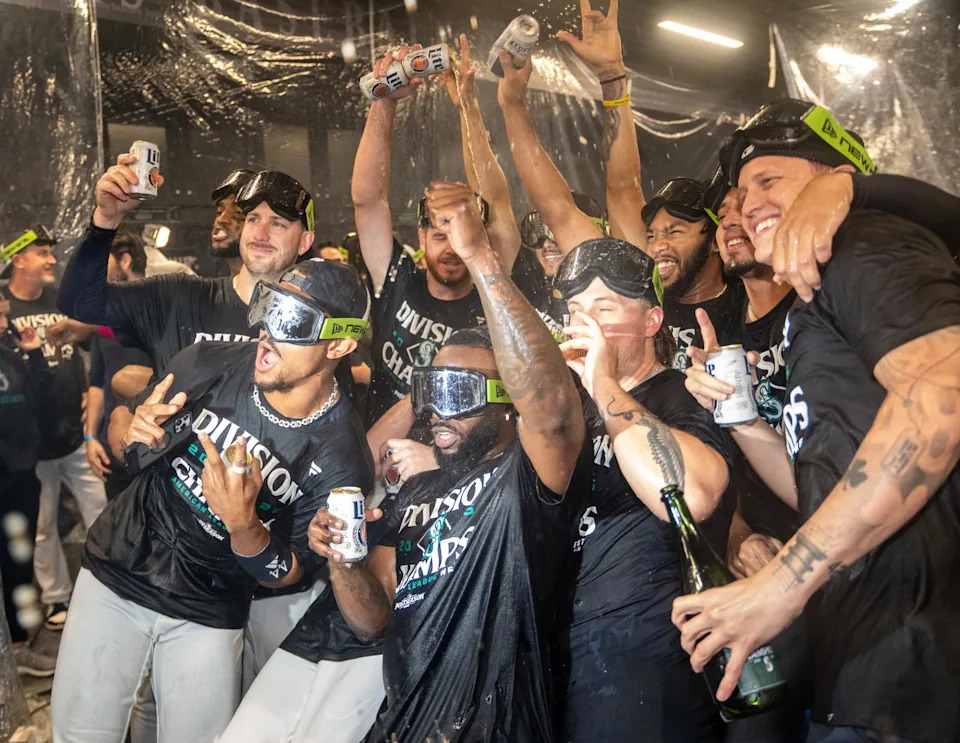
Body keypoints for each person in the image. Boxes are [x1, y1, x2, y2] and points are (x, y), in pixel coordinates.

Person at [675, 98, 960, 743]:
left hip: (920, 664)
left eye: (768, 181)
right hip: (864, 663)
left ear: (834, 179)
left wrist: (782, 583)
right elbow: (822, 485)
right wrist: (743, 418)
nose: (748, 205)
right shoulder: (810, 309)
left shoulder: (863, 239)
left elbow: (942, 391)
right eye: (742, 192)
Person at [51, 258, 374, 742]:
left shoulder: (342, 460)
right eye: (270, 306)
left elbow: (287, 572)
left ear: (341, 344)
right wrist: (127, 432)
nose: (268, 331)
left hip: (209, 611)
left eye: (293, 321)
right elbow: (129, 429)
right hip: (118, 573)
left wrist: (244, 526)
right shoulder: (208, 360)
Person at [310, 181, 588, 742]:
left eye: (459, 390)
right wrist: (343, 564)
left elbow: (553, 407)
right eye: (431, 388)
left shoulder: (527, 480)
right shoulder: (415, 492)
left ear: (508, 403)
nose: (437, 407)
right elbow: (374, 620)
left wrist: (481, 256)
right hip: (402, 727)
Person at [551, 238, 732, 743]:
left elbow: (690, 496)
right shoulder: (567, 410)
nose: (586, 325)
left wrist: (604, 384)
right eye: (575, 311)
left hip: (645, 674)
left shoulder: (680, 393)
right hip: (563, 665)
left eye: (605, 308)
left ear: (652, 323)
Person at [353, 44, 507, 427]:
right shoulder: (397, 278)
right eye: (439, 236)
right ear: (420, 240)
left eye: (459, 237)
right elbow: (368, 202)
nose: (452, 249)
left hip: (462, 468)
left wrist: (468, 106)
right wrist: (384, 103)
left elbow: (496, 201)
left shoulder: (495, 298)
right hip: (381, 460)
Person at [57, 164, 314, 374]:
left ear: (305, 241)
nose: (261, 233)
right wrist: (106, 220)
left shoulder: (315, 325)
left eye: (278, 223)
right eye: (252, 219)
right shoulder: (178, 297)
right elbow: (78, 302)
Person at [3, 225, 108, 632]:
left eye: (51, 252)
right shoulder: (4, 305)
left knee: (99, 510)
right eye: (42, 253)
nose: (51, 260)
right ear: (18, 259)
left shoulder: (61, 300)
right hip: (30, 448)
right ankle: (56, 598)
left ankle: (108, 584)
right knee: (42, 526)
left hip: (76, 435)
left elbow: (87, 344)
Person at [0, 291, 58, 677]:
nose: (6, 313)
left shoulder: (10, 351)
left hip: (20, 478)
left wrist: (35, 353)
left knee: (18, 563)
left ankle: (18, 648)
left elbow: (44, 402)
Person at [641, 178, 744, 370]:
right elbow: (620, 190)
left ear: (714, 241)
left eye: (674, 232)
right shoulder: (646, 305)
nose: (657, 246)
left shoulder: (748, 308)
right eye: (651, 236)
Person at [85, 233, 152, 500]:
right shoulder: (103, 319)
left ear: (125, 261)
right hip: (110, 447)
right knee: (118, 534)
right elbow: (96, 383)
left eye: (106, 264)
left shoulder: (166, 311)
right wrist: (90, 438)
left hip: (155, 446)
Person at [210, 168, 256, 277]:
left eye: (237, 213)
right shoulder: (213, 288)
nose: (221, 219)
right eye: (219, 211)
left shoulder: (290, 289)